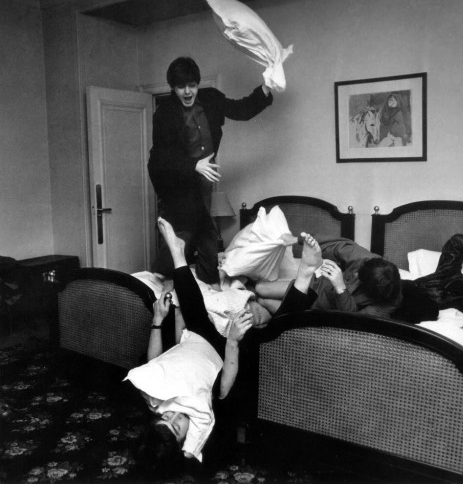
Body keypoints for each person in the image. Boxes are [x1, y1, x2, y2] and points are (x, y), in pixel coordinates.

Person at [125, 217, 253, 477]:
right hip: (222, 354)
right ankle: (304, 280)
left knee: (188, 309)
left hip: (196, 336)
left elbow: (156, 365)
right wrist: (232, 341)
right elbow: (224, 388)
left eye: (166, 418)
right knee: (267, 336)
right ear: (185, 442)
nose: (174, 416)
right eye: (177, 426)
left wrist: (157, 320)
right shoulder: (202, 423)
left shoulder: (156, 402)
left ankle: (177, 254)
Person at [148, 56, 273, 288]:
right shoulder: (164, 113)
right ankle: (165, 287)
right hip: (176, 188)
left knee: (205, 234)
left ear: (198, 84)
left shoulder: (212, 99)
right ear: (173, 88)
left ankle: (210, 289)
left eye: (192, 85)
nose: (187, 92)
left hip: (203, 186)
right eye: (181, 87)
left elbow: (241, 109)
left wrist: (265, 88)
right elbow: (159, 157)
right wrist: (193, 165)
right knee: (184, 236)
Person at [256, 236, 410, 320]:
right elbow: (335, 245)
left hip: (323, 309)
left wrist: (341, 288)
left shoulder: (391, 302)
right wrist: (299, 240)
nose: (355, 275)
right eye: (357, 273)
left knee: (264, 301)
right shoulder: (367, 259)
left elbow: (355, 321)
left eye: (359, 278)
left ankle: (286, 314)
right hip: (318, 285)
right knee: (260, 288)